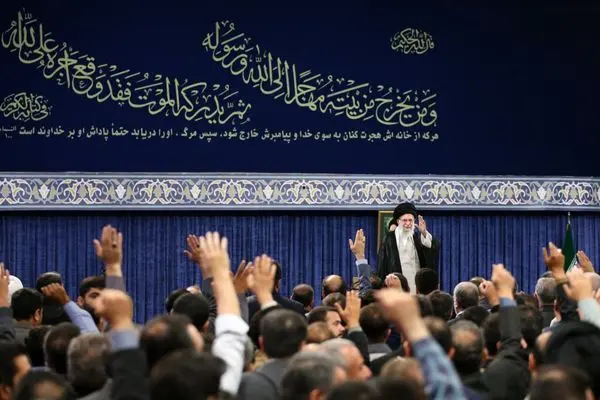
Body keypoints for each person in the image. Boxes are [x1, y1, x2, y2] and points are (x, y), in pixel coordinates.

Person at [377, 202, 440, 291]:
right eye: (405, 220)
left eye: (410, 220)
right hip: (397, 284)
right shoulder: (389, 238)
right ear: (398, 221)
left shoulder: (417, 237)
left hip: (415, 283)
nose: (408, 223)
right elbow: (382, 264)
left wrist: (423, 232)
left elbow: (431, 251)